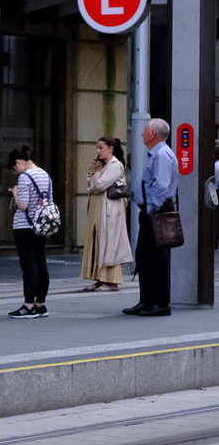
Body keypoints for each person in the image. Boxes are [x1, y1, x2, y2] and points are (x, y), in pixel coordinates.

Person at [125, 118, 177, 317]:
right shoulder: (158, 154)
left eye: (145, 131)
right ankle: (147, 301)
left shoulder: (162, 155)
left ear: (153, 134)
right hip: (151, 210)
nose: (141, 134)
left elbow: (161, 187)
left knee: (154, 258)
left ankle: (160, 303)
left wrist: (150, 209)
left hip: (155, 211)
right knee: (144, 257)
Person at [7, 146, 54, 319]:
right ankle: (40, 304)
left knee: (28, 265)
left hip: (25, 226)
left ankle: (28, 305)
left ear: (19, 162)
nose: (16, 170)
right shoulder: (45, 175)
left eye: (15, 167)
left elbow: (23, 205)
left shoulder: (25, 177)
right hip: (41, 225)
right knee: (41, 262)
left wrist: (15, 192)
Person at [82, 137, 132, 293]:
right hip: (99, 208)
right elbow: (90, 183)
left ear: (110, 148)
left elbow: (97, 185)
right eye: (97, 147)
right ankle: (100, 279)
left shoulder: (115, 166)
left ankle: (112, 282)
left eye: (100, 148)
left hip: (110, 211)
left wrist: (95, 175)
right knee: (98, 242)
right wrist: (94, 173)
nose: (98, 151)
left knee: (109, 244)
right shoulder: (105, 166)